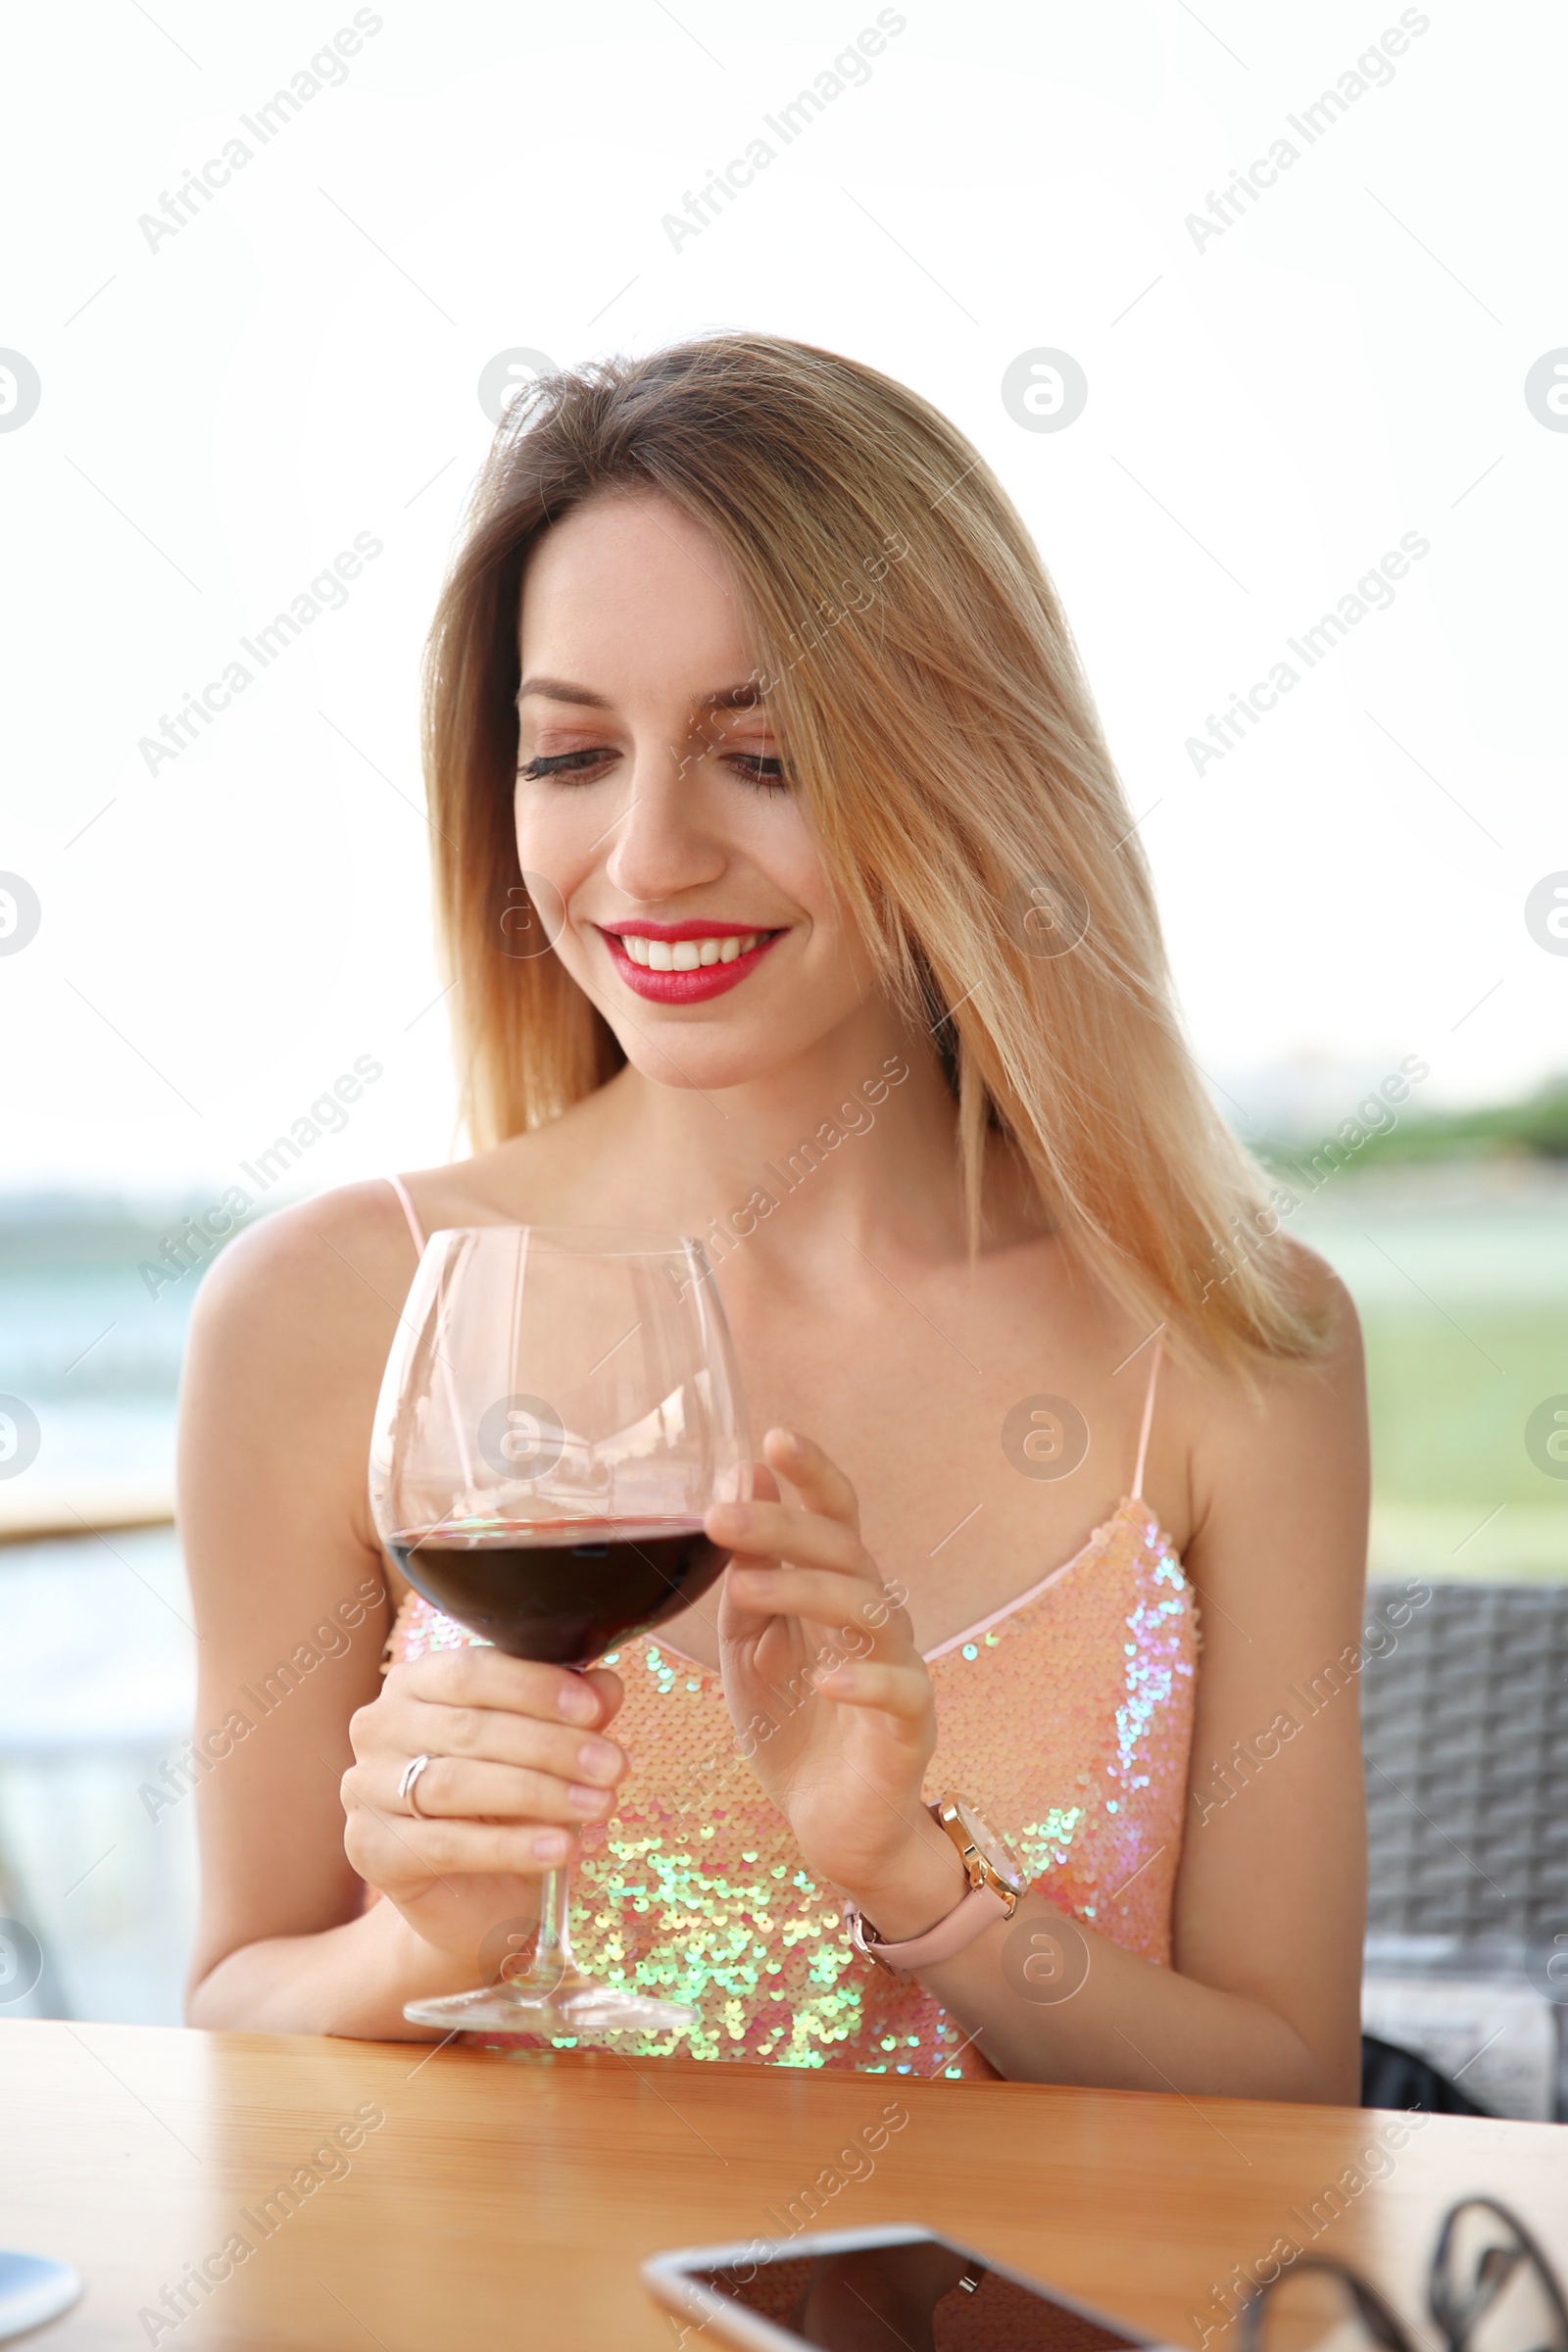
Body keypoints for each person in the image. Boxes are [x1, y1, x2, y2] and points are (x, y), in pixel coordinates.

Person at [181, 333, 1369, 2096]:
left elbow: (1290, 2093)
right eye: (572, 755)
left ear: (965, 771)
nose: (647, 856)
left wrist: (925, 1889)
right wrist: (424, 1941)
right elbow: (224, 2018)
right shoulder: (328, 1311)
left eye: (768, 754)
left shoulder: (1232, 1334)